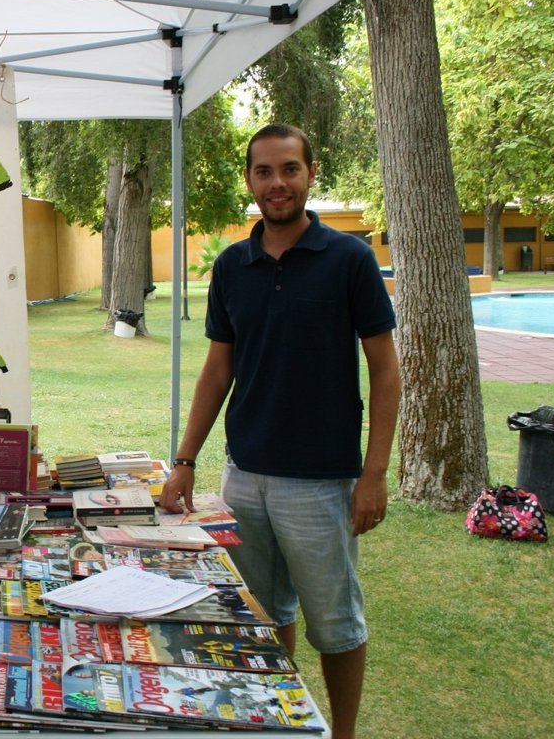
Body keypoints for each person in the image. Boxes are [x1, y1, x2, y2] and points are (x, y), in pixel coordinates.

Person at [160, 123, 399, 739]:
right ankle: (281, 724)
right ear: (249, 180)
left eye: (290, 169)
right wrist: (184, 460)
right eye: (264, 171)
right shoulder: (231, 266)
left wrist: (374, 474)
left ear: (310, 173)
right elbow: (218, 370)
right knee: (262, 616)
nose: (277, 183)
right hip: (243, 476)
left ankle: (342, 734)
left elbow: (385, 369)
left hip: (321, 481)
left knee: (336, 626)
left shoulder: (349, 259)